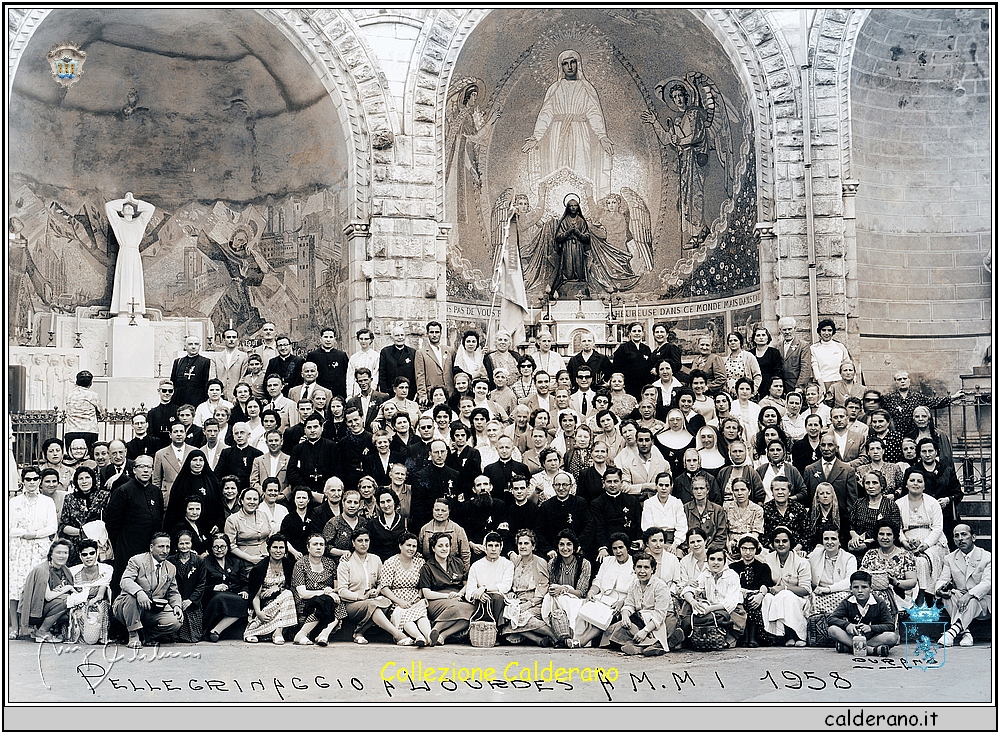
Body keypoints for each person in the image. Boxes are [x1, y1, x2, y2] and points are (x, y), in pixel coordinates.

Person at [335, 527, 408, 645]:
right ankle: (397, 635)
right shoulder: (345, 563)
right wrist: (361, 597)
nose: (364, 544)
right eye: (360, 541)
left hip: (373, 599)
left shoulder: (376, 559)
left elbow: (381, 582)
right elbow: (342, 591)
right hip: (352, 604)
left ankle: (359, 632)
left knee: (385, 602)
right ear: (353, 543)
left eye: (366, 540)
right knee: (373, 605)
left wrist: (377, 590)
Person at [112, 533, 184, 649]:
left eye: (167, 547)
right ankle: (133, 635)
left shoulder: (171, 568)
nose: (165, 551)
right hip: (128, 607)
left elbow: (173, 592)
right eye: (160, 546)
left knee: (176, 621)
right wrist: (139, 592)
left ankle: (146, 636)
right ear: (151, 547)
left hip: (152, 609)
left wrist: (177, 606)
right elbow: (125, 581)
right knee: (131, 597)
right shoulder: (137, 561)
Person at [104, 455, 162, 591]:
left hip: (150, 546)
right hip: (128, 546)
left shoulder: (156, 491)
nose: (145, 470)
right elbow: (112, 523)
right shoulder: (123, 491)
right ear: (134, 470)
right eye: (141, 466)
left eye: (149, 467)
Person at [605, 552, 678, 656]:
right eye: (639, 567)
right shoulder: (634, 584)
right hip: (641, 619)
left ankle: (652, 644)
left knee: (625, 631)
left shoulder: (660, 586)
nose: (642, 571)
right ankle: (643, 646)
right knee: (616, 628)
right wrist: (625, 615)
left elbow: (659, 614)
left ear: (652, 570)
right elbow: (629, 604)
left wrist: (645, 631)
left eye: (646, 567)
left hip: (661, 621)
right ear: (634, 568)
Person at [896, 467, 948, 605]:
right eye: (912, 480)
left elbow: (937, 528)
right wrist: (903, 541)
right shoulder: (898, 503)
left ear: (924, 485)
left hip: (932, 541)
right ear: (906, 483)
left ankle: (925, 596)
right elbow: (897, 528)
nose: (915, 483)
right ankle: (911, 596)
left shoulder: (933, 503)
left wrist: (926, 544)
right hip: (908, 541)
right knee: (910, 559)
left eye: (919, 481)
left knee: (922, 560)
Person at [934, 524, 991, 647]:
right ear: (954, 540)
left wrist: (970, 595)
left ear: (973, 537)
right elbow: (943, 579)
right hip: (960, 599)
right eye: (957, 536)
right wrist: (939, 590)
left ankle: (950, 633)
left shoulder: (988, 557)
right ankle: (966, 633)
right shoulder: (950, 558)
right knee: (948, 596)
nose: (960, 538)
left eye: (964, 534)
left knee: (972, 601)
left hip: (984, 601)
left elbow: (988, 583)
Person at [680, 545, 747, 649]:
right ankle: (691, 636)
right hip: (710, 609)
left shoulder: (732, 575)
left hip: (730, 611)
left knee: (719, 617)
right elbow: (690, 590)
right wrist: (693, 601)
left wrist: (710, 609)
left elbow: (731, 602)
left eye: (719, 559)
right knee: (688, 604)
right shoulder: (705, 574)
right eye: (712, 559)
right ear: (708, 560)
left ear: (724, 562)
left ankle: (723, 637)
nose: (716, 562)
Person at [574, 533, 634, 648]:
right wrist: (591, 591)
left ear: (627, 547)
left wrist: (624, 601)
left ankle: (582, 641)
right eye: (615, 548)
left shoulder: (634, 563)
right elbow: (598, 580)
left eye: (621, 547)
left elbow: (636, 589)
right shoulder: (607, 561)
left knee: (605, 615)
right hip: (602, 597)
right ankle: (576, 638)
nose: (618, 551)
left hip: (621, 601)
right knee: (582, 607)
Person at [501, 529, 560, 646]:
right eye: (520, 543)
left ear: (533, 546)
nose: (523, 546)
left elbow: (543, 589)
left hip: (536, 603)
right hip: (517, 602)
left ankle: (553, 634)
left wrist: (528, 605)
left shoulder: (540, 562)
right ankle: (538, 640)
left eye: (526, 543)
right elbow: (512, 583)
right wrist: (512, 593)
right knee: (504, 618)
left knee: (519, 616)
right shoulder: (516, 561)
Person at [826, 570, 900, 657]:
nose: (860, 590)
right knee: (832, 630)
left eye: (864, 587)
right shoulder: (847, 602)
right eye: (856, 587)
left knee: (892, 637)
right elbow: (831, 619)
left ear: (871, 588)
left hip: (874, 638)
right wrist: (847, 625)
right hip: (853, 637)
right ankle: (871, 650)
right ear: (850, 589)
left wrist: (871, 628)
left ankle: (850, 648)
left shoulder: (879, 602)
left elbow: (890, 625)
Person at [379, 532, 433, 646]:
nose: (411, 549)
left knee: (421, 614)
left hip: (415, 598)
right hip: (396, 601)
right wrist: (400, 602)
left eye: (414, 546)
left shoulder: (420, 562)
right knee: (406, 617)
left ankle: (429, 636)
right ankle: (419, 637)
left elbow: (422, 584)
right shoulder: (391, 562)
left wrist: (418, 597)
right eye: (408, 545)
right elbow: (384, 588)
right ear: (400, 546)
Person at [760, 526, 811, 646]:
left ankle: (798, 635)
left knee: (786, 596)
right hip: (776, 596)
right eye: (777, 541)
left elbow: (806, 590)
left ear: (790, 542)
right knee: (767, 598)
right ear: (772, 544)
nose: (781, 544)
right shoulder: (768, 559)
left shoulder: (801, 562)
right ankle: (778, 635)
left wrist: (784, 588)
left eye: (784, 541)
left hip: (798, 598)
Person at [106, 192, 154, 316]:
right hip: (124, 253)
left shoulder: (139, 222)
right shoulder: (118, 223)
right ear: (121, 211)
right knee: (123, 280)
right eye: (126, 207)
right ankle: (122, 310)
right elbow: (109, 207)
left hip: (134, 254)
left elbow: (150, 209)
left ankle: (137, 311)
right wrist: (124, 200)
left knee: (135, 281)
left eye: (131, 207)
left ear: (134, 211)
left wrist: (134, 201)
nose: (129, 207)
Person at [292, 534, 344, 646]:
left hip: (326, 600)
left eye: (322, 544)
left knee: (337, 601)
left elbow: (336, 587)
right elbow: (302, 593)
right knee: (325, 600)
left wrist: (331, 592)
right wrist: (325, 592)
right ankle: (302, 634)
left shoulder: (330, 563)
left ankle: (324, 634)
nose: (319, 547)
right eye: (315, 544)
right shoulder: (301, 564)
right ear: (308, 547)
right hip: (306, 602)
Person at [860, 521, 917, 619]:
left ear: (894, 537)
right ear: (877, 536)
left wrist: (896, 582)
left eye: (889, 534)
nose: (885, 537)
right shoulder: (870, 554)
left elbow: (912, 581)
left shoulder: (906, 555)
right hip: (871, 595)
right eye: (881, 534)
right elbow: (861, 576)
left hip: (898, 597)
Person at [882, 370, 958, 439]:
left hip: (913, 435)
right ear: (896, 382)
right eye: (899, 379)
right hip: (896, 435)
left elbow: (935, 402)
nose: (902, 381)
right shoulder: (889, 398)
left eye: (905, 379)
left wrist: (953, 397)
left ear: (909, 381)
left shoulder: (917, 397)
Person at [65, 538, 114, 644]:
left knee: (101, 606)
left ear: (97, 553)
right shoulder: (73, 571)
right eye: (85, 554)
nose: (88, 557)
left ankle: (100, 637)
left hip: (97, 600)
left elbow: (100, 595)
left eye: (92, 553)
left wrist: (91, 601)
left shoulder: (106, 569)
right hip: (78, 601)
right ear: (80, 555)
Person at [58, 465, 109, 564]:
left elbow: (109, 522)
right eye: (80, 478)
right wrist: (83, 532)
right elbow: (64, 526)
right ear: (76, 481)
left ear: (93, 479)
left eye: (87, 478)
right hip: (75, 547)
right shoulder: (69, 498)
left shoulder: (104, 496)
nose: (84, 481)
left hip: (98, 546)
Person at [807, 528, 858, 628]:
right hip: (819, 594)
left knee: (845, 600)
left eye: (833, 539)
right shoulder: (815, 555)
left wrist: (829, 589)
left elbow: (850, 581)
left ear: (839, 542)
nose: (829, 542)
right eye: (826, 539)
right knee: (807, 601)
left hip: (841, 593)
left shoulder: (849, 558)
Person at [729, 535, 774, 647]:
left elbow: (765, 583)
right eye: (744, 549)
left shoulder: (763, 567)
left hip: (757, 596)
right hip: (738, 596)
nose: (747, 552)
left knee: (753, 602)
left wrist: (761, 595)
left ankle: (753, 637)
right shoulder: (733, 567)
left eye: (751, 549)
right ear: (740, 549)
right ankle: (744, 636)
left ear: (756, 550)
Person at [917, 437, 963, 546]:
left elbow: (958, 493)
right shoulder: (914, 471)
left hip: (946, 516)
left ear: (936, 452)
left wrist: (948, 499)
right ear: (919, 453)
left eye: (930, 451)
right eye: (924, 451)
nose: (927, 454)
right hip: (923, 517)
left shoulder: (947, 470)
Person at [849, 471, 903, 557]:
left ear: (881, 485)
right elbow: (851, 525)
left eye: (875, 483)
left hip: (881, 546)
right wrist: (854, 536)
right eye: (867, 483)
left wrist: (869, 543)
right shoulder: (858, 503)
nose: (871, 486)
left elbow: (894, 532)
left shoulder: (891, 505)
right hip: (858, 544)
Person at [167, 529, 207, 643]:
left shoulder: (199, 560)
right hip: (175, 600)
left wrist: (191, 600)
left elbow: (201, 583)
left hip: (192, 601)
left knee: (192, 636)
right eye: (181, 543)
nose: (184, 546)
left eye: (187, 543)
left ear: (191, 543)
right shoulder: (170, 560)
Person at [761, 476, 811, 554]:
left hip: (797, 551)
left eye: (783, 489)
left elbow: (807, 533)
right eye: (777, 489)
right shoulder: (764, 509)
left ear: (789, 492)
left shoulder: (799, 508)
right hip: (771, 551)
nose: (780, 492)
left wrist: (796, 550)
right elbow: (762, 535)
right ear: (772, 492)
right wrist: (774, 549)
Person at [152, 422, 195, 507]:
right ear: (170, 435)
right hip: (169, 498)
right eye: (175, 432)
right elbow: (156, 480)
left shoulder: (194, 451)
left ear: (185, 434)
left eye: (181, 431)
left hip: (190, 497)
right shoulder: (161, 454)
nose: (179, 434)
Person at [224, 487, 270, 566]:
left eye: (255, 499)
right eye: (248, 499)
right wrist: (250, 558)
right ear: (241, 501)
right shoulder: (232, 520)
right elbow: (230, 545)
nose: (252, 502)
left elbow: (270, 536)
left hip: (266, 558)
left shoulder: (263, 515)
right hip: (244, 562)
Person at [640, 472, 688, 547]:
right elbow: (647, 527)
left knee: (677, 556)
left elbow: (682, 527)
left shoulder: (677, 503)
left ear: (671, 486)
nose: (663, 488)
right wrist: (657, 543)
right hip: (654, 541)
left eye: (667, 485)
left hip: (673, 541)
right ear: (656, 486)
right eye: (661, 485)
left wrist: (675, 544)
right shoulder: (648, 503)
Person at [683, 475, 728, 551]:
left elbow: (721, 536)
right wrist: (689, 548)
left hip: (712, 551)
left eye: (702, 488)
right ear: (692, 491)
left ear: (707, 490)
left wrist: (709, 549)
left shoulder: (718, 510)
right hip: (690, 550)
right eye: (696, 489)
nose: (699, 492)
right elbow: (681, 531)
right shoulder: (685, 509)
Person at [63, 370, 105, 449]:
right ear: (90, 383)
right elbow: (101, 414)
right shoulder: (94, 395)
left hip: (71, 430)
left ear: (76, 381)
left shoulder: (69, 395)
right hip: (90, 430)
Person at [723, 478, 764, 558]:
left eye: (743, 489)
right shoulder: (726, 507)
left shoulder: (757, 509)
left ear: (749, 491)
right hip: (730, 545)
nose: (740, 493)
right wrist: (729, 546)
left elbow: (755, 533)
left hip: (751, 545)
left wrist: (744, 547)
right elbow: (724, 530)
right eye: (736, 490)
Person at [306, 327, 349, 399]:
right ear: (321, 339)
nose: (328, 340)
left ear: (334, 339)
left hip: (339, 393)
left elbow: (347, 374)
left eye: (331, 337)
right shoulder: (313, 355)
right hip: (319, 393)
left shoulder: (341, 355)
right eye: (325, 337)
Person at [171, 336, 214, 409]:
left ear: (199, 346)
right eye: (190, 344)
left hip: (197, 399)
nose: (193, 347)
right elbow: (173, 382)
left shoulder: (206, 362)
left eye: (196, 344)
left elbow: (206, 384)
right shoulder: (178, 362)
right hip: (178, 399)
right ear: (185, 346)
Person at [809, 319, 851, 392]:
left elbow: (848, 364)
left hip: (839, 382)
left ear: (833, 332)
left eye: (829, 330)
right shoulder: (813, 348)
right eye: (824, 330)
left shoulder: (840, 347)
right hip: (823, 382)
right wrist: (821, 386)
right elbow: (815, 368)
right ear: (819, 332)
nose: (826, 333)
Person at [613, 323, 653, 399]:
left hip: (644, 385)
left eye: (639, 331)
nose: (637, 333)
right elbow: (616, 368)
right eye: (634, 331)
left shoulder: (646, 349)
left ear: (642, 333)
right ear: (630, 333)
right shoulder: (623, 348)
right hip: (629, 385)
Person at [378, 325, 417, 396]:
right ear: (392, 337)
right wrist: (384, 392)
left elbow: (416, 374)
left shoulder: (412, 352)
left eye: (402, 335)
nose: (400, 337)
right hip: (391, 391)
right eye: (397, 335)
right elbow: (382, 374)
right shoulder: (385, 352)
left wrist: (415, 392)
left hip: (408, 392)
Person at [776, 316, 812, 392]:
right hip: (781, 386)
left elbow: (805, 368)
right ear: (780, 330)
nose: (787, 332)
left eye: (789, 329)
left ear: (795, 329)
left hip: (795, 385)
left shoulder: (803, 345)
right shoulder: (777, 346)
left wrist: (799, 386)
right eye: (784, 329)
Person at [346, 329, 382, 401]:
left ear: (371, 340)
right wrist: (349, 394)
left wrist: (371, 392)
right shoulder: (354, 357)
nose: (363, 341)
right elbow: (350, 377)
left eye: (366, 339)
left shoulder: (376, 356)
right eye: (361, 339)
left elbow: (375, 375)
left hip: (370, 389)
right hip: (357, 389)